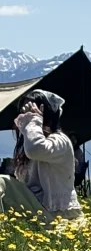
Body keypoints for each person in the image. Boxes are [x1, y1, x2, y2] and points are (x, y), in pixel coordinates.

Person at [0, 90, 82, 223]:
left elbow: (36, 149)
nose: (25, 118)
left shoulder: (60, 141)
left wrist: (33, 121)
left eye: (31, 112)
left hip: (59, 214)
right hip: (38, 210)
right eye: (23, 113)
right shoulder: (27, 145)